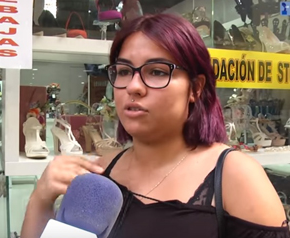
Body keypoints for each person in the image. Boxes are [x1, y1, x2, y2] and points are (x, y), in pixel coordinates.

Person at [21, 14, 290, 238]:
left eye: (158, 71)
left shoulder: (236, 176)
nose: (134, 87)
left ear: (195, 88)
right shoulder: (101, 172)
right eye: (124, 71)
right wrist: (40, 198)